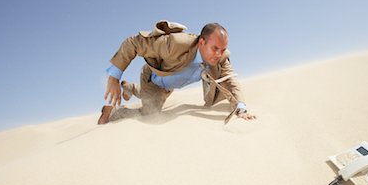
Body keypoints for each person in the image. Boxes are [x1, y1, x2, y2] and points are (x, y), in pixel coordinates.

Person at [98, 20, 255, 124]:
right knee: (148, 113)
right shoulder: (174, 44)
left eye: (222, 50)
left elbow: (231, 81)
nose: (218, 54)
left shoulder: (220, 58)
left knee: (151, 97)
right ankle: (114, 112)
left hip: (169, 87)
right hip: (152, 80)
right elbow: (133, 43)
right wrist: (113, 78)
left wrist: (241, 108)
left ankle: (130, 88)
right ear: (202, 42)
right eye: (215, 48)